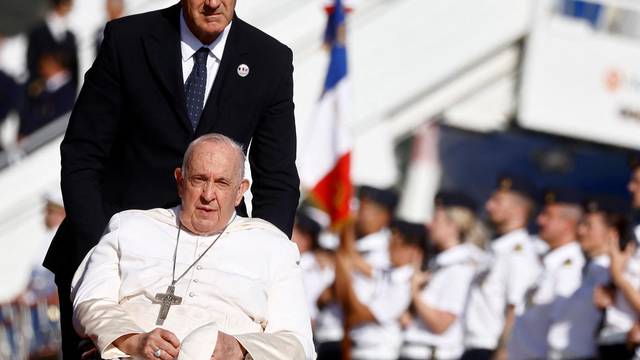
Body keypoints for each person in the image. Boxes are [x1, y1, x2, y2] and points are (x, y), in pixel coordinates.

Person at [44, 0, 301, 357]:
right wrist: (102, 257)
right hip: (111, 264)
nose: (213, 3)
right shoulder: (129, 40)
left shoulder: (268, 60)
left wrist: (261, 265)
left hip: (214, 280)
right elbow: (81, 155)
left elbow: (278, 181)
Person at [71, 134, 314, 359]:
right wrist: (134, 340)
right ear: (180, 181)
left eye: (221, 183)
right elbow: (90, 302)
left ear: (240, 191)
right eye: (199, 180)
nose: (208, 194)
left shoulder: (272, 246)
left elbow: (297, 344)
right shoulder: (129, 226)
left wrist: (237, 347)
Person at [462, 174, 541, 360]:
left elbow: (516, 310)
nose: (489, 206)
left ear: (519, 209)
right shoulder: (497, 249)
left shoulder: (519, 254)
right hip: (471, 347)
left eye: (497, 201)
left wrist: (503, 352)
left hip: (490, 350)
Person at [399, 192, 483, 360]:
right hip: (414, 350)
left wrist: (414, 291)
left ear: (453, 225)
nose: (429, 225)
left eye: (436, 220)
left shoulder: (461, 266)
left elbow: (441, 324)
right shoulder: (441, 262)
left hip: (432, 354)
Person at [507, 188, 586, 360]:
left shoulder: (570, 267)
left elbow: (560, 328)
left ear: (568, 224)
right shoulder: (548, 262)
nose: (539, 220)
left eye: (548, 216)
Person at [547, 196, 628, 359]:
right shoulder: (591, 268)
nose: (581, 231)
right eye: (582, 224)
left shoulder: (613, 271)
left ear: (612, 233)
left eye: (589, 226)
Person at [334, 219, 425, 360]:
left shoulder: (405, 285)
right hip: (358, 351)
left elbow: (360, 314)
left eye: (397, 242)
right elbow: (353, 258)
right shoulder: (389, 273)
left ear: (413, 250)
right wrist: (348, 221)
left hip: (376, 354)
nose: (390, 246)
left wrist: (346, 278)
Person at [19, 47, 76, 138]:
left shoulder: (68, 90)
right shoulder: (40, 88)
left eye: (46, 62)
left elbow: (55, 120)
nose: (41, 68)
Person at [26, 0, 79, 92]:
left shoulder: (70, 36)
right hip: (42, 93)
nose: (70, 7)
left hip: (65, 95)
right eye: (67, 3)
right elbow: (31, 62)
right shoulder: (37, 33)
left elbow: (74, 69)